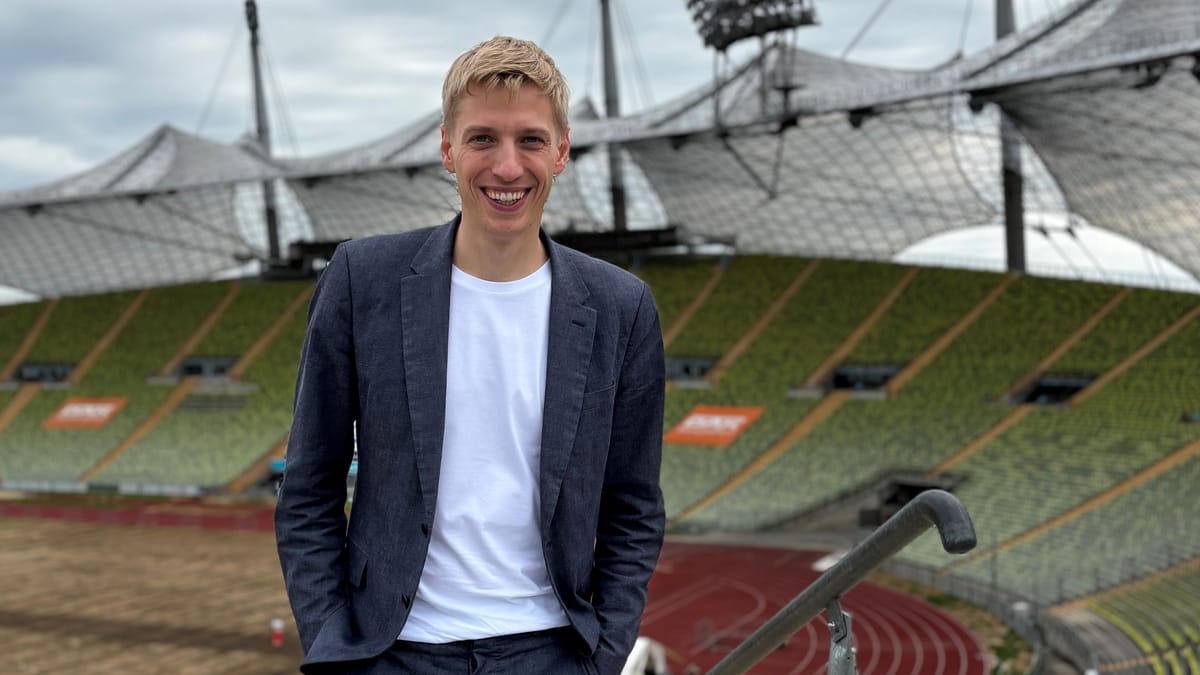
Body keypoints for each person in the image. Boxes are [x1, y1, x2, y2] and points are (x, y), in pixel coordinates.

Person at [275, 35, 666, 675]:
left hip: (551, 651)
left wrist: (602, 657)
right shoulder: (361, 279)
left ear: (562, 151)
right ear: (447, 149)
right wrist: (334, 650)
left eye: (531, 140)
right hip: (393, 652)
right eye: (483, 138)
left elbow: (634, 506)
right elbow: (308, 487)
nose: (507, 167)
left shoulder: (621, 307)